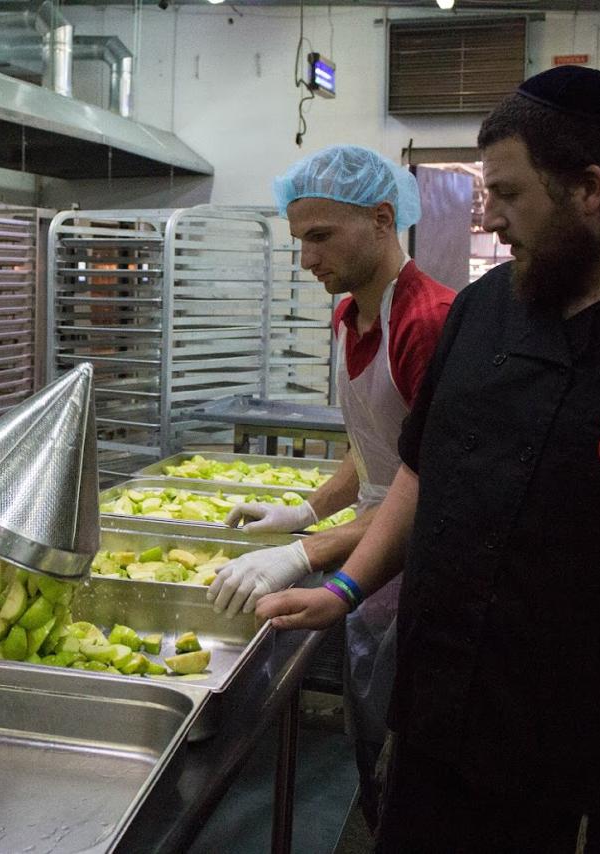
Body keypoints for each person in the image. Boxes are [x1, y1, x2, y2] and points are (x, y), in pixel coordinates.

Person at [257, 67, 600, 851]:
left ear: (589, 189)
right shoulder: (488, 308)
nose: (491, 217)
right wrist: (345, 586)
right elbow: (420, 468)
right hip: (443, 714)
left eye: (509, 196)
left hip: (596, 758)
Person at [205, 144, 454, 829]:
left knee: (402, 755)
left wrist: (310, 553)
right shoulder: (350, 316)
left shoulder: (427, 323)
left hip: (417, 569)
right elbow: (376, 442)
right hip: (372, 563)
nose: (307, 258)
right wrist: (306, 509)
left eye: (321, 237)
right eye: (300, 240)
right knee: (369, 730)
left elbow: (424, 485)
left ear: (381, 218)